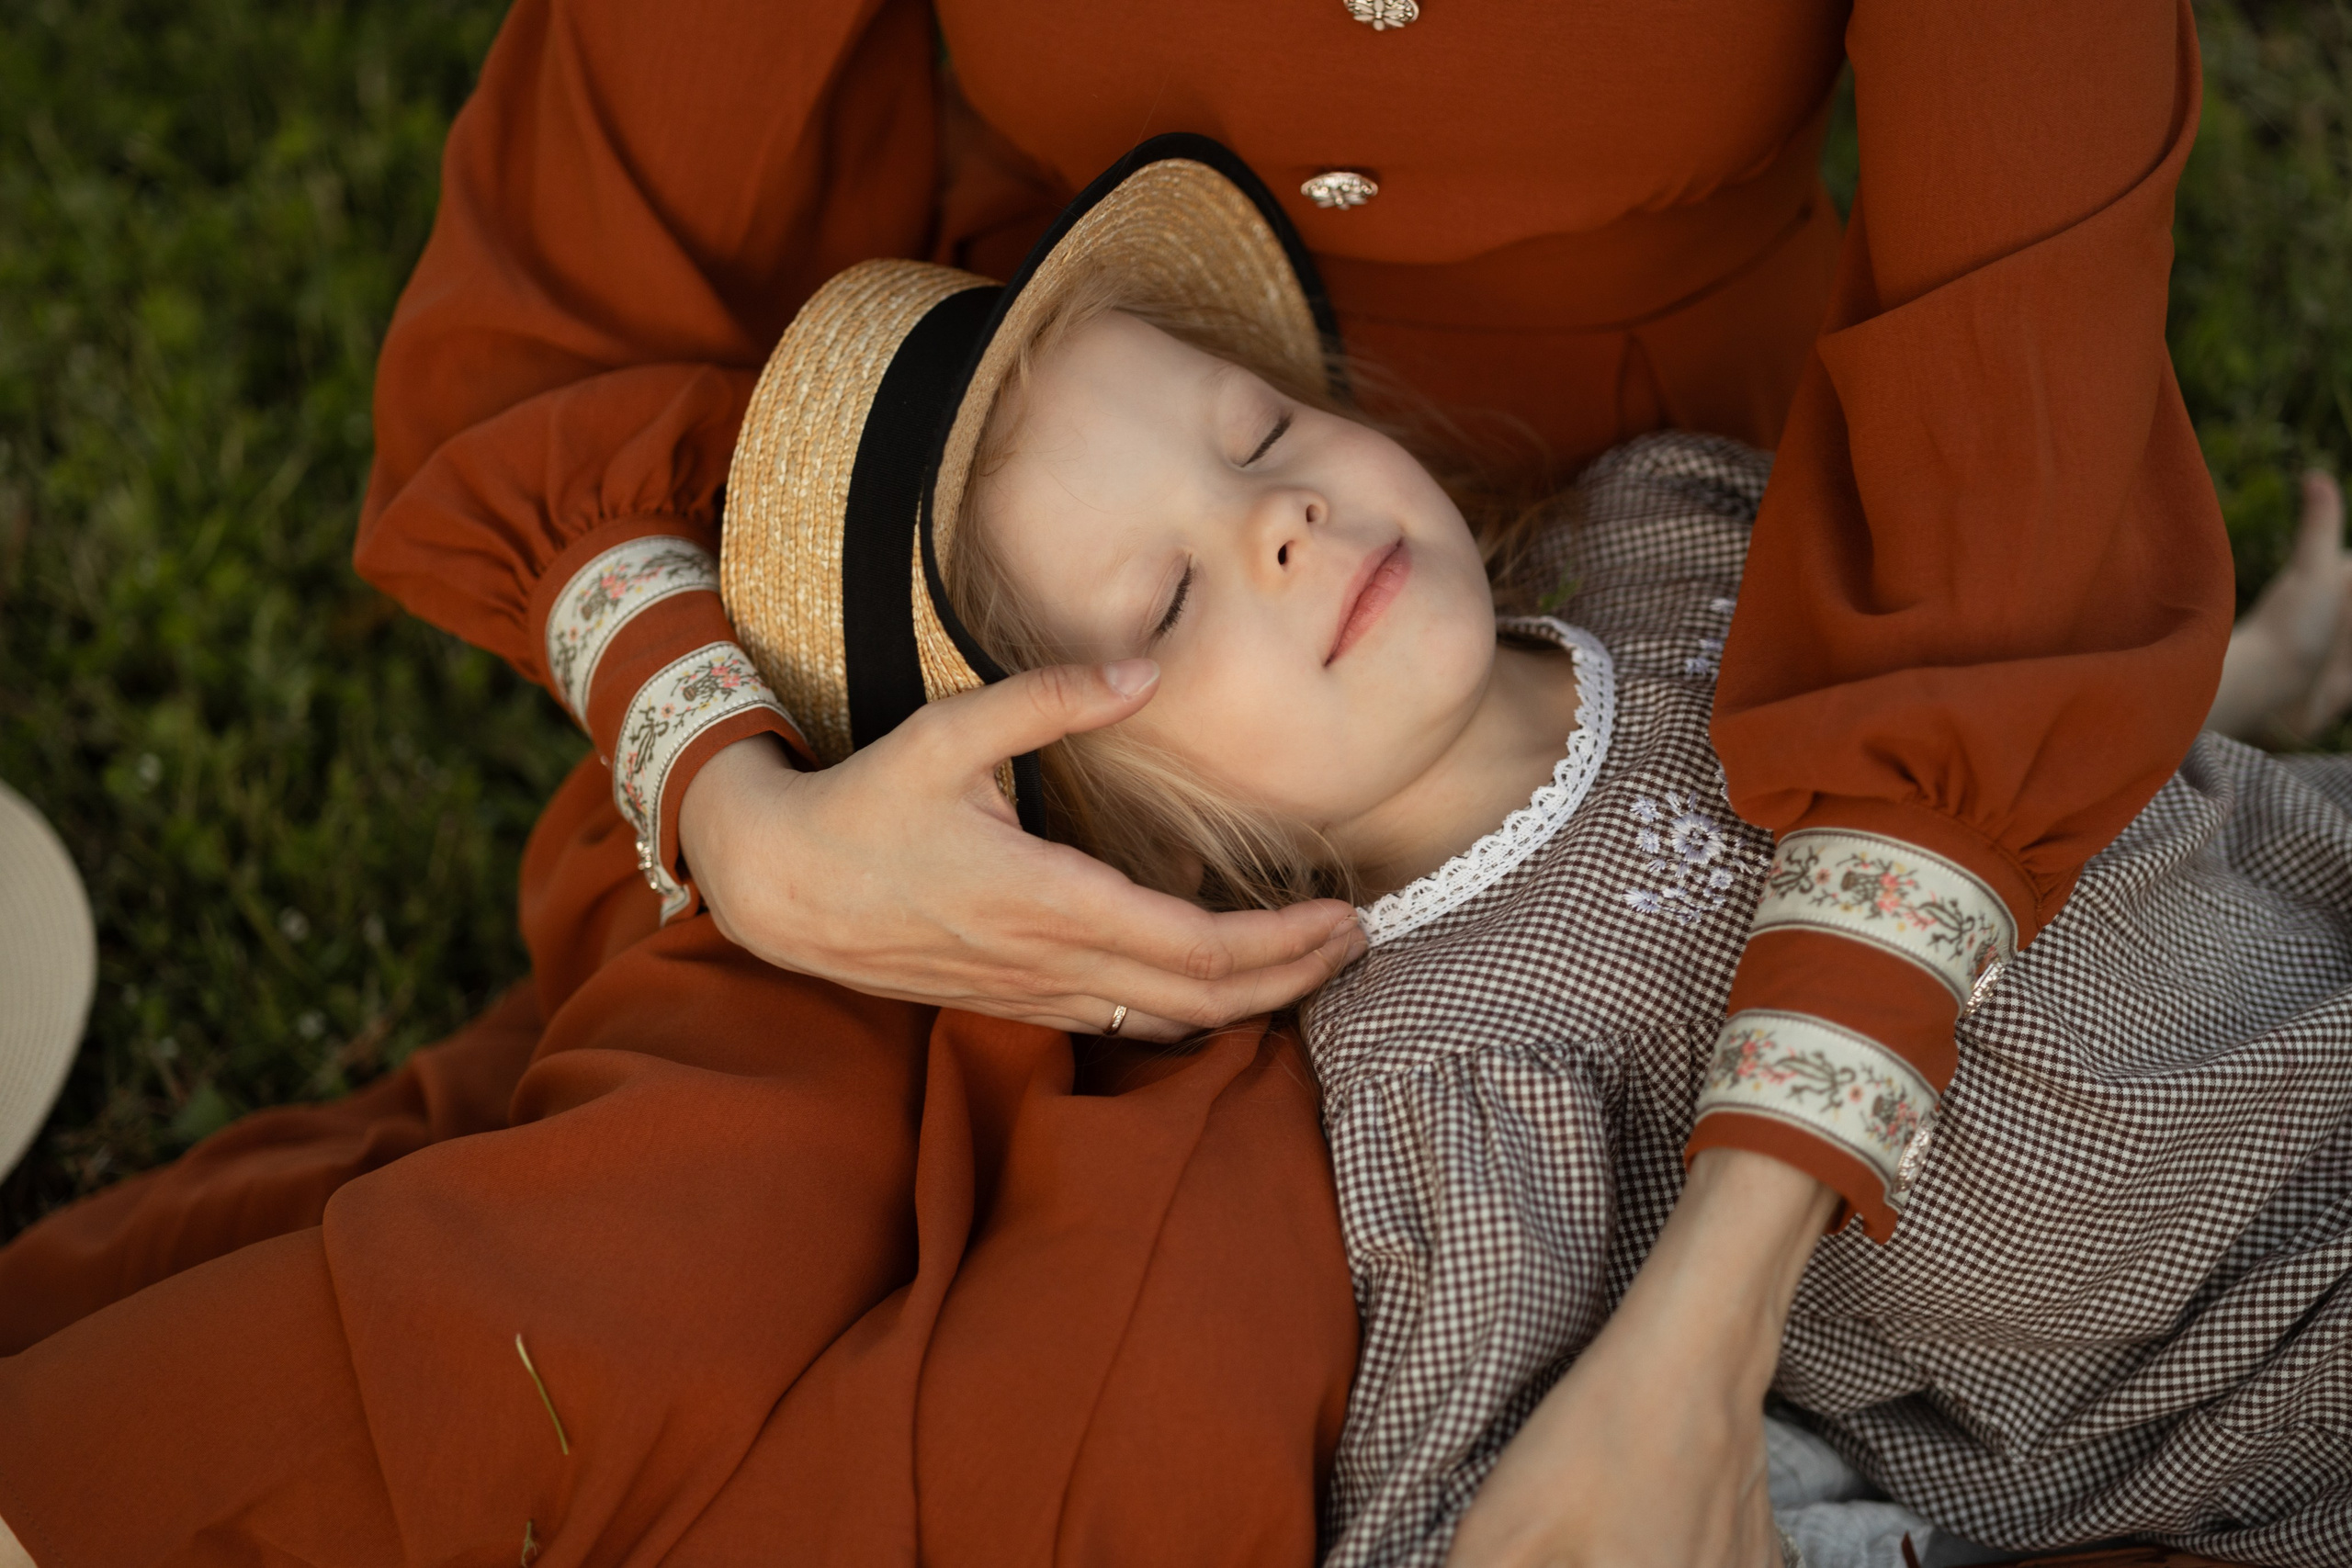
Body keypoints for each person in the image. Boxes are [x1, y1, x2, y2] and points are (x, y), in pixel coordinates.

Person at [0, 0, 2242, 1559]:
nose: (1275, 509)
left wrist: (1704, 1322)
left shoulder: (1687, 536)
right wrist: (742, 815)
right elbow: (582, 289)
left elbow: (2006, 447)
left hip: (1670, 573)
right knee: (685, 1214)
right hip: (996, 599)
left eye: (1269, 464)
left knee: (1124, 1429)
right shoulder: (1424, 1071)